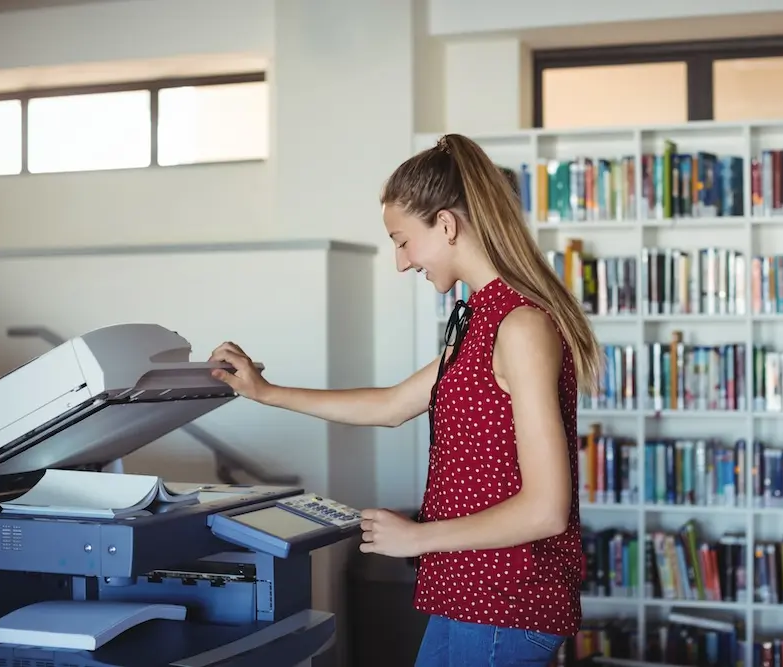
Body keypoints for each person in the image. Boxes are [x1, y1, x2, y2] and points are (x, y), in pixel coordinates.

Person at [208, 133, 601, 667]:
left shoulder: (520, 326)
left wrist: (417, 539)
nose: (400, 262)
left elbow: (546, 509)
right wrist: (266, 392)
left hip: (504, 603)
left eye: (402, 240)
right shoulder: (478, 321)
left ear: (445, 224)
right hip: (467, 594)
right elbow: (391, 405)